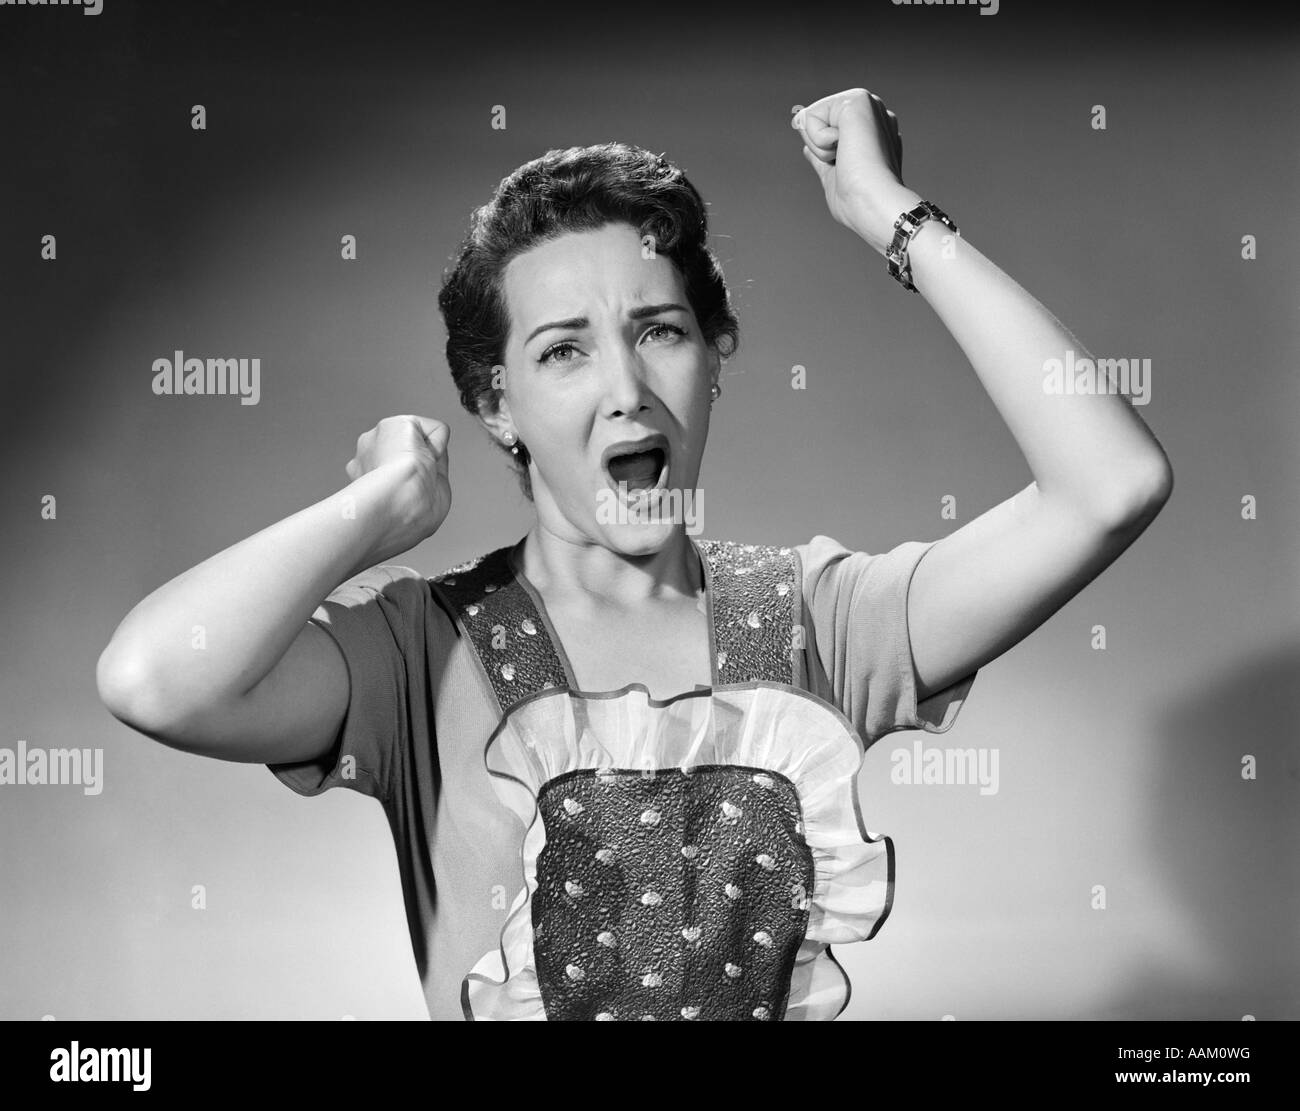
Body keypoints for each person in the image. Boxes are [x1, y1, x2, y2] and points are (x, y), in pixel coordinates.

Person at [96, 88, 1173, 1021]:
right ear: (495, 403)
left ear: (715, 356)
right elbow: (154, 678)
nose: (625, 386)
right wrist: (376, 509)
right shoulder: (418, 650)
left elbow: (1109, 486)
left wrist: (892, 216)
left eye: (659, 330)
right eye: (563, 350)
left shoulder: (824, 620)